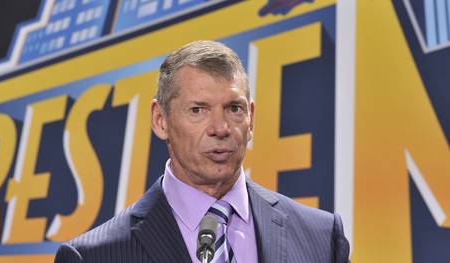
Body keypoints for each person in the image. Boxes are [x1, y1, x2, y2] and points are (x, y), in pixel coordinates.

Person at [54, 40, 350, 263]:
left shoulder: (322, 238)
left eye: (234, 108)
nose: (220, 127)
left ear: (251, 119)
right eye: (198, 110)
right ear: (160, 120)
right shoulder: (94, 256)